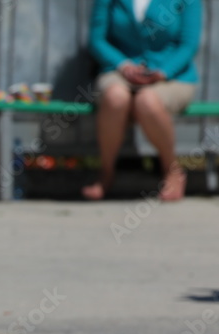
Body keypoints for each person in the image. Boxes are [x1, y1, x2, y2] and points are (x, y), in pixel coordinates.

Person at [82, 0, 202, 202]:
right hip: (118, 69)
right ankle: (106, 172)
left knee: (147, 101)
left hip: (173, 75)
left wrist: (163, 72)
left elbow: (188, 45)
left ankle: (172, 170)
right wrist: (122, 65)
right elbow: (96, 40)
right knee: (115, 97)